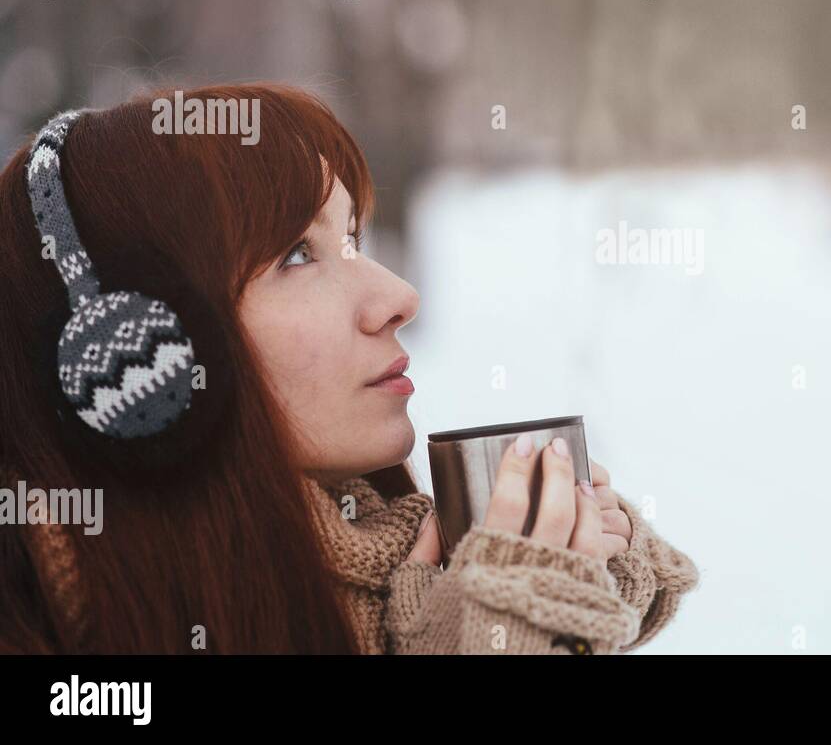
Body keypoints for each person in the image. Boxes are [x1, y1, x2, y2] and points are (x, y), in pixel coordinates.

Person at [0, 82, 698, 654]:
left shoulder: (402, 588)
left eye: (354, 236)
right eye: (296, 255)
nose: (399, 298)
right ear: (138, 360)